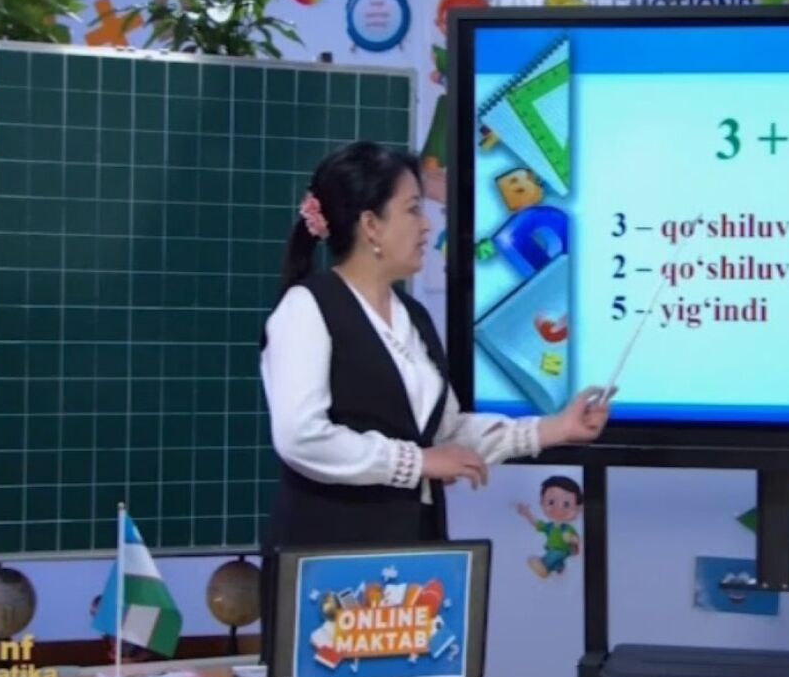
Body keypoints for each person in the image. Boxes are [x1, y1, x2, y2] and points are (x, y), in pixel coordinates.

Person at [255, 142, 612, 645]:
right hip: (329, 563)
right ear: (370, 225)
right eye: (412, 210)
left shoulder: (413, 317)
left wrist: (554, 429)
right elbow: (301, 436)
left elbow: (445, 433)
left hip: (412, 555)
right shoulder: (307, 308)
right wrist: (418, 463)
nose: (427, 225)